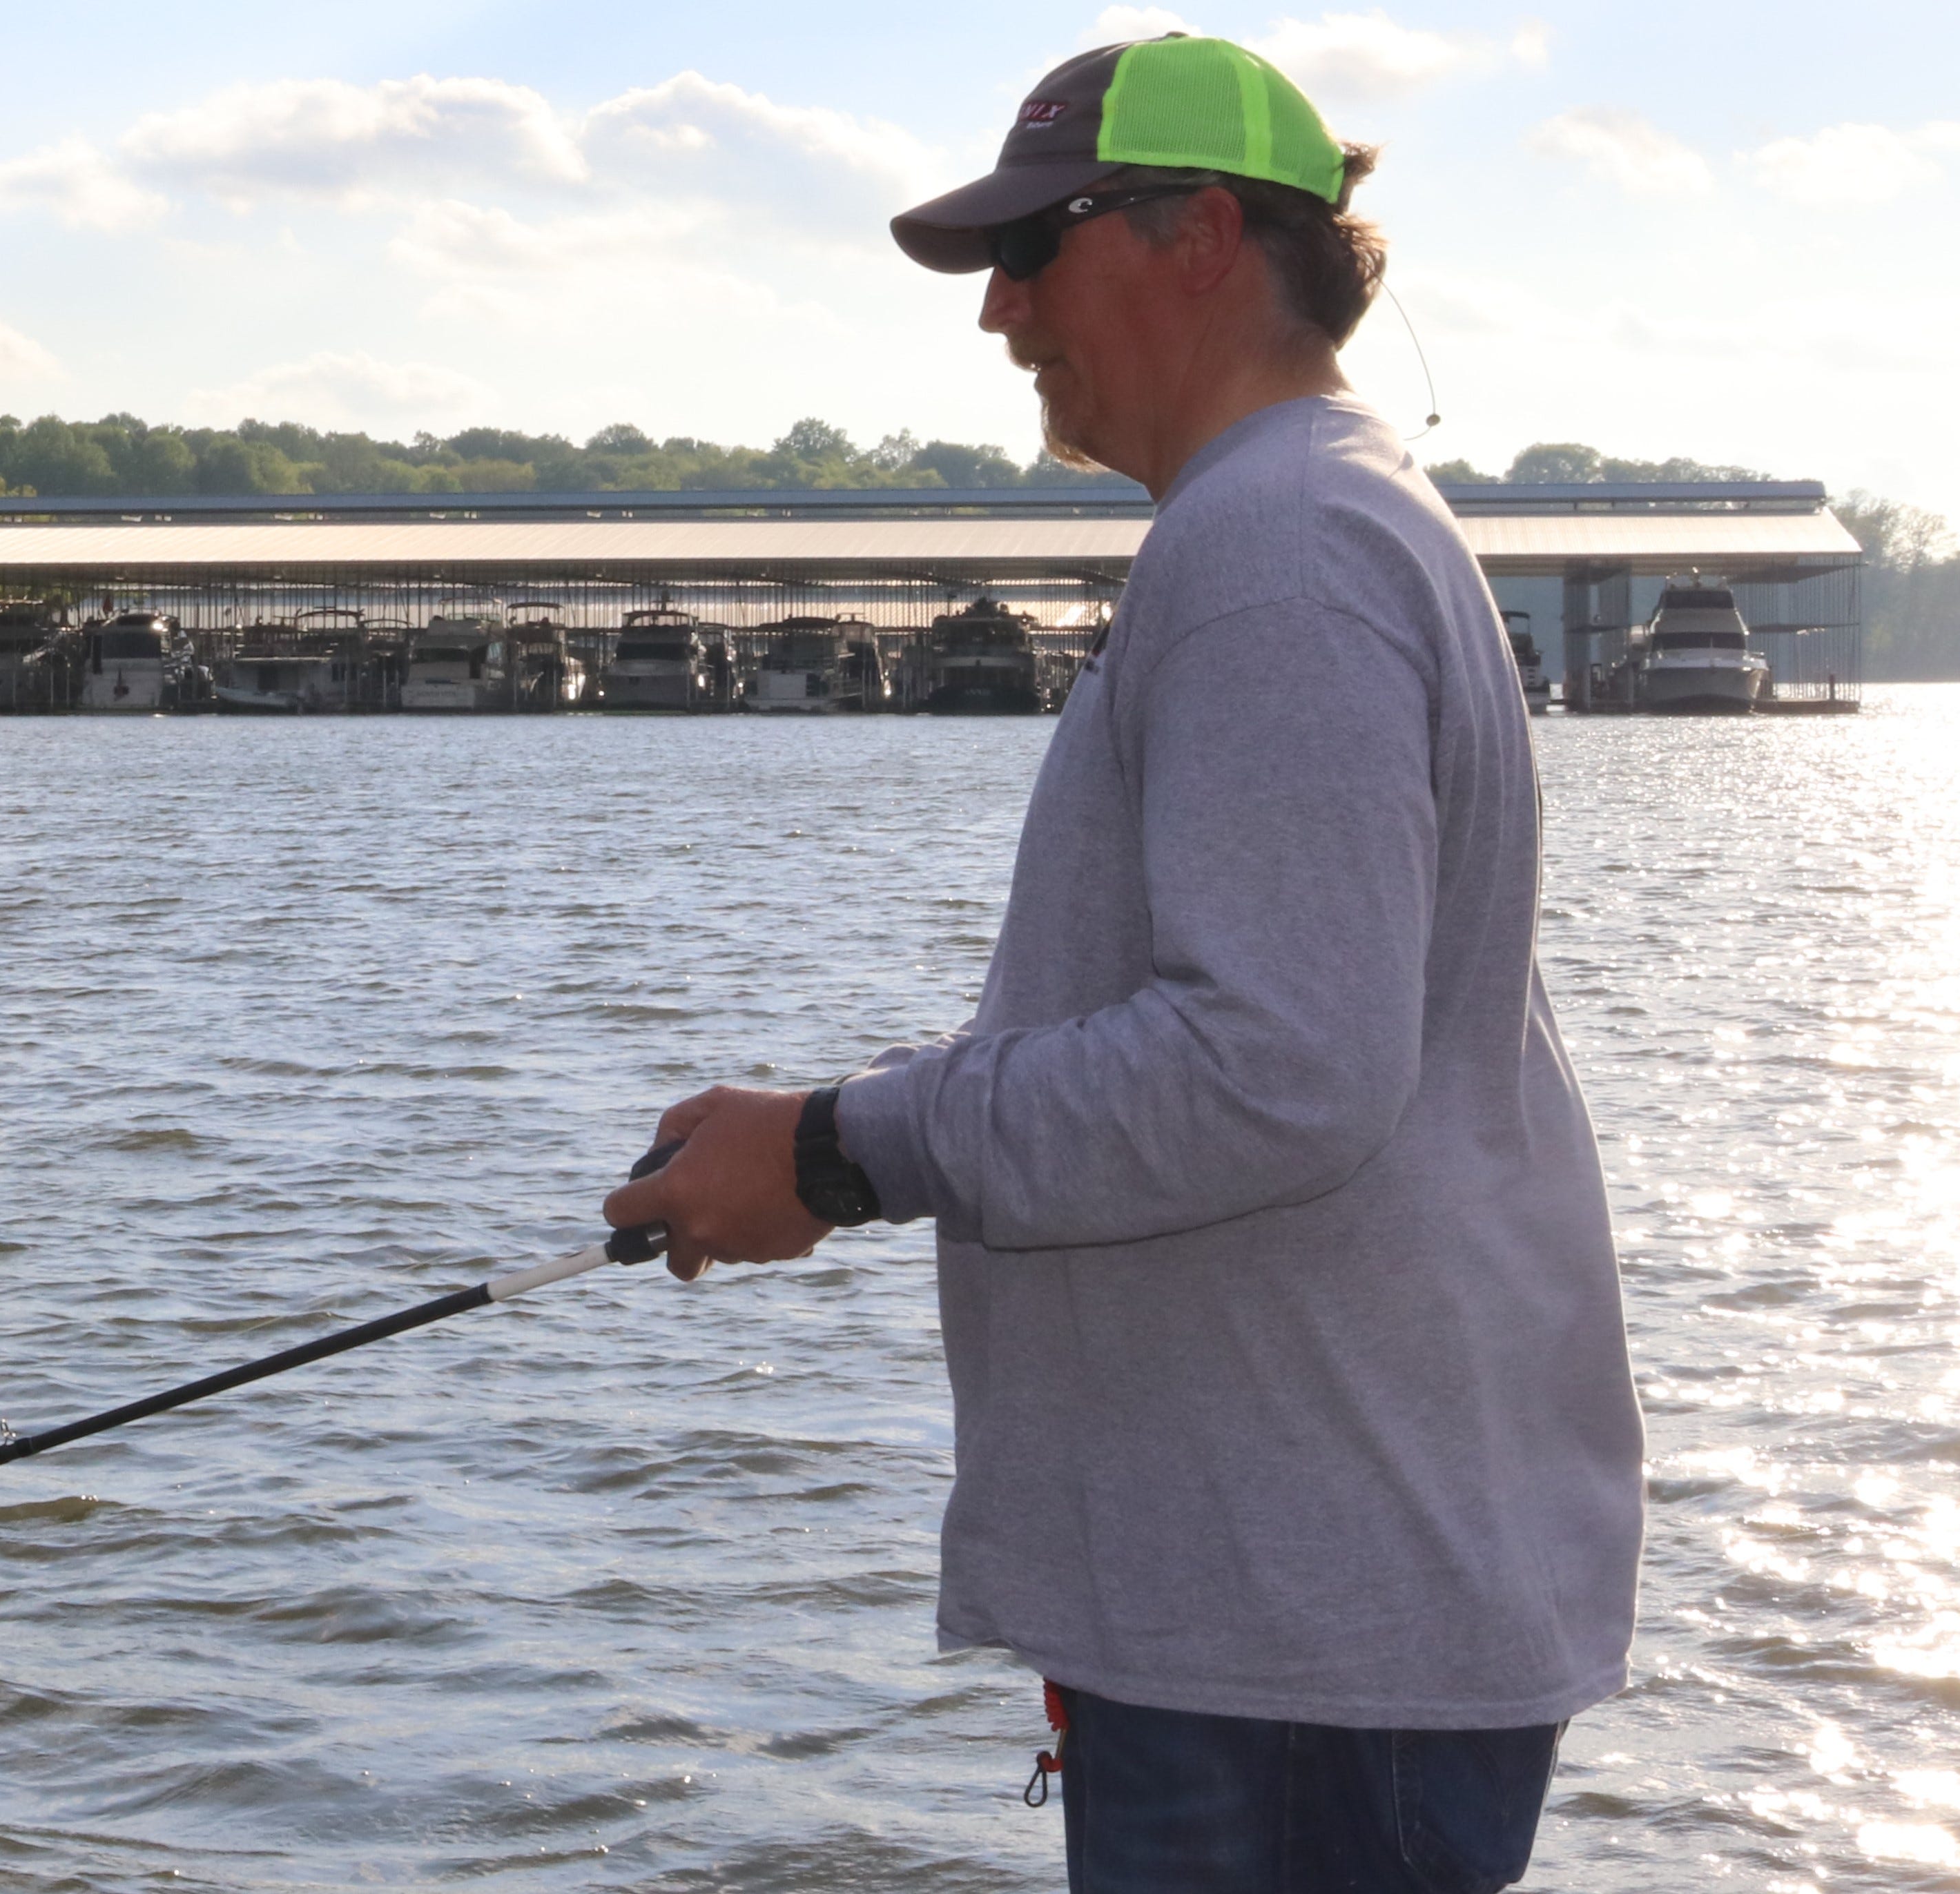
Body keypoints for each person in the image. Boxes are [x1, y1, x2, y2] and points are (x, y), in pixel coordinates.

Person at [599, 34, 1642, 1894]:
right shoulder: (1307, 519)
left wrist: (842, 1151)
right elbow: (1261, 1033)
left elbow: (1275, 1069)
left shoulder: (1278, 549)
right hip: (1298, 1604)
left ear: (1198, 236)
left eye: (1033, 248)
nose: (996, 312)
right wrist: (833, 1140)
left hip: (1308, 1637)